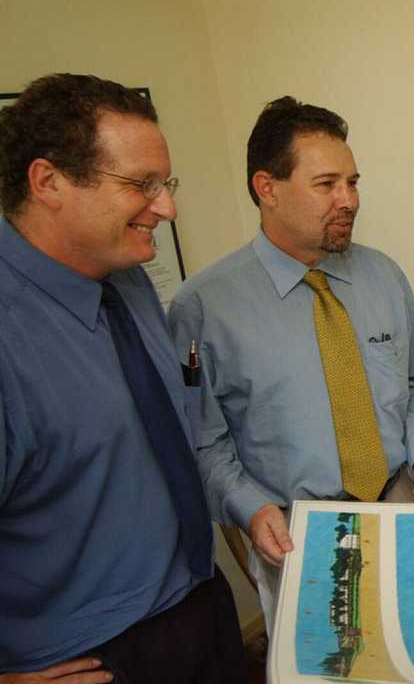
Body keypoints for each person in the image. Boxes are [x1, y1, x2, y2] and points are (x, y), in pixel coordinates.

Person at [169, 96, 414, 631]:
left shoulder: (382, 276)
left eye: (352, 182)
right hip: (296, 532)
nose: (348, 200)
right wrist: (250, 508)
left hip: (400, 503)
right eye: (327, 185)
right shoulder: (204, 307)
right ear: (267, 188)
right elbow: (202, 441)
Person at [0, 74, 245, 681]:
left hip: (199, 605)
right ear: (48, 182)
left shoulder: (129, 279)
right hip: (94, 657)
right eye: (142, 185)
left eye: (166, 184)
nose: (167, 208)